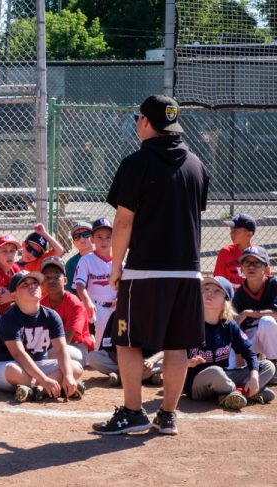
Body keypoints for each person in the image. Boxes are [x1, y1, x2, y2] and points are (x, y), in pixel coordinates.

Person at [93, 95, 209, 436]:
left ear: (146, 122)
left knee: (127, 341)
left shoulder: (137, 162)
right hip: (189, 270)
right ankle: (167, 415)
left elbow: (124, 221)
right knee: (176, 344)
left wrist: (116, 266)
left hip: (145, 270)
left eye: (137, 119)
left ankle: (133, 412)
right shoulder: (196, 164)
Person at [0, 270, 84, 403]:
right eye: (25, 284)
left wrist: (68, 375)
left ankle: (35, 391)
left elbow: (61, 349)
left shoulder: (51, 316)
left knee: (75, 368)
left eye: (35, 283)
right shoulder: (9, 317)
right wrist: (44, 379)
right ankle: (52, 386)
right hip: (9, 365)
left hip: (38, 364)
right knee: (13, 371)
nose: (32, 286)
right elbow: (18, 354)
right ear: (14, 295)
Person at [186, 276, 275, 410]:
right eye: (206, 289)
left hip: (224, 377)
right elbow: (173, 355)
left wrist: (254, 376)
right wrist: (187, 362)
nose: (209, 293)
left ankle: (233, 395)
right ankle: (244, 393)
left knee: (267, 366)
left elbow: (249, 352)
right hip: (197, 384)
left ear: (225, 300)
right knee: (214, 371)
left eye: (216, 291)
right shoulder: (190, 323)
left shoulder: (229, 325)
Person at [40, 256, 94, 367]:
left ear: (65, 280)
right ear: (42, 282)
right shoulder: (41, 304)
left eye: (56, 276)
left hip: (76, 347)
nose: (52, 280)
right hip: (54, 347)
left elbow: (68, 339)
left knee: (49, 355)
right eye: (47, 277)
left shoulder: (74, 303)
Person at [74, 218, 118, 349]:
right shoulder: (86, 260)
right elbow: (79, 284)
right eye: (99, 237)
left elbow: (125, 285)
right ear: (92, 239)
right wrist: (87, 302)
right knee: (100, 347)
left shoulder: (119, 261)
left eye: (108, 237)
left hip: (116, 308)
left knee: (119, 345)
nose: (104, 241)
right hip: (96, 308)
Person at [86, 314, 163, 387]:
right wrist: (120, 360)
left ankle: (120, 377)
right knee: (92, 357)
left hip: (147, 362)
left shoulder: (156, 315)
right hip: (120, 361)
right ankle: (147, 376)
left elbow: (167, 349)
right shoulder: (117, 314)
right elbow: (107, 347)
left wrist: (153, 360)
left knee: (169, 360)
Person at [231, 246, 277, 362]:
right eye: (247, 263)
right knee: (231, 364)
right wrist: (238, 351)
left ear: (266, 268)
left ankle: (274, 362)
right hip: (251, 338)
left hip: (273, 337)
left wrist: (248, 313)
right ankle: (254, 363)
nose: (251, 267)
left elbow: (275, 314)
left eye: (257, 263)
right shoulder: (239, 294)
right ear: (242, 267)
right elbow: (234, 325)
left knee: (267, 322)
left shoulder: (273, 284)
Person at [214, 213, 268, 289]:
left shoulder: (259, 255)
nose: (231, 233)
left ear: (249, 234)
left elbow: (265, 282)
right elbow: (218, 280)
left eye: (235, 231)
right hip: (231, 299)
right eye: (231, 230)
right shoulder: (225, 252)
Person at [0, 235, 22, 316]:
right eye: (4, 251)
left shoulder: (15, 269)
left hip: (10, 312)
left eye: (12, 251)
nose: (9, 255)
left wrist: (12, 296)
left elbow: (25, 294)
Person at [64, 222, 94, 293]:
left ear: (93, 237)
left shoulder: (105, 257)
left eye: (86, 234)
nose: (82, 239)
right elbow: (69, 292)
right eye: (77, 236)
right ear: (73, 243)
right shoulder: (71, 263)